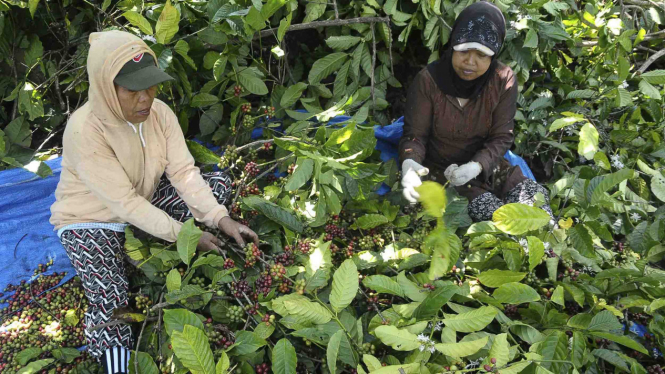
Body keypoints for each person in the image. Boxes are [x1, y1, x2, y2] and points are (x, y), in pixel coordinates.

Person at [50, 30, 258, 374]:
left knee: (217, 185)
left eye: (151, 86)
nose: (145, 98)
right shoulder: (84, 131)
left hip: (145, 196)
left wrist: (221, 219)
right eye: (133, 90)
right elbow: (124, 204)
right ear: (106, 88)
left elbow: (183, 172)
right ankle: (116, 368)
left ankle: (141, 245)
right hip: (90, 217)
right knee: (113, 299)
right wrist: (184, 235)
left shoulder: (159, 114)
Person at [399, 1, 552, 222]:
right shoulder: (428, 81)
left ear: (493, 55)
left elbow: (502, 136)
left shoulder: (503, 79)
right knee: (498, 217)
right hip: (443, 171)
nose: (470, 62)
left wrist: (477, 165)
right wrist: (410, 164)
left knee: (538, 210)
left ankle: (550, 253)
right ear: (453, 46)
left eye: (481, 54)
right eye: (464, 51)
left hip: (490, 166)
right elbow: (415, 135)